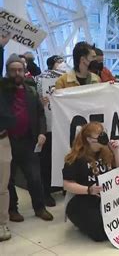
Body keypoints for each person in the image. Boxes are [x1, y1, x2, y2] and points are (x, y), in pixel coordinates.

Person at [0, 54, 53, 223]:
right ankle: (12, 209)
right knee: (8, 180)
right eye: (13, 70)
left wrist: (42, 132)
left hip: (29, 141)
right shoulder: (2, 90)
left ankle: (39, 207)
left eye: (20, 70)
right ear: (7, 72)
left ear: (24, 71)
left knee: (35, 177)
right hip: (8, 142)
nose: (17, 73)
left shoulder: (30, 90)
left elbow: (40, 114)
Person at [63, 122, 119, 241]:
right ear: (89, 140)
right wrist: (88, 190)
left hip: (104, 197)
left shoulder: (106, 151)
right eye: (99, 136)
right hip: (82, 198)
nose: (103, 138)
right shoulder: (76, 158)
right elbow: (67, 184)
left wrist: (117, 151)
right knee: (101, 234)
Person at [34, 55, 68, 207]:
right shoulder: (40, 80)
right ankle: (46, 192)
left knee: (66, 158)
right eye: (59, 62)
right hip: (48, 126)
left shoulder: (68, 79)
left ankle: (66, 187)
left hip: (64, 124)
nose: (62, 64)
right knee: (46, 161)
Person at [0, 34, 13, 242]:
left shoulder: (3, 85)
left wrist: (1, 47)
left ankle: (2, 223)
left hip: (1, 138)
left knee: (2, 187)